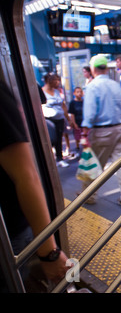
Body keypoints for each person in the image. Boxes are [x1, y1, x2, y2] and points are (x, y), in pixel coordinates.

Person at [0, 81, 69, 291]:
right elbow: (26, 175)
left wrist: (50, 253)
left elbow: (25, 176)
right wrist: (51, 254)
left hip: (10, 233)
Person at [80, 55, 121, 207]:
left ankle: (89, 196)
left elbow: (90, 114)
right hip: (119, 129)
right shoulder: (115, 85)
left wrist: (85, 134)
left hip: (101, 132)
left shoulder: (92, 86)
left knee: (94, 164)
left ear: (93, 69)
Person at [41, 73, 70, 168]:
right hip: (49, 121)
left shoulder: (56, 92)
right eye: (56, 80)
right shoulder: (42, 92)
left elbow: (63, 105)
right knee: (50, 140)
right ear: (49, 80)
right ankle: (49, 159)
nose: (58, 82)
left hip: (59, 119)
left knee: (58, 139)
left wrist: (68, 119)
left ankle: (59, 158)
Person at [68, 87, 84, 156]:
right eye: (77, 92)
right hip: (77, 122)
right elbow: (72, 114)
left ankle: (84, 149)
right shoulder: (72, 103)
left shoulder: (84, 102)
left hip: (84, 123)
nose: (79, 93)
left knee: (84, 137)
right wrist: (74, 123)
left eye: (80, 92)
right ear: (74, 93)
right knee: (77, 137)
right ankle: (77, 148)